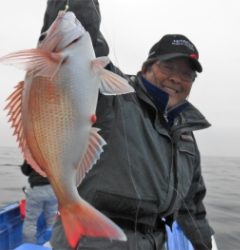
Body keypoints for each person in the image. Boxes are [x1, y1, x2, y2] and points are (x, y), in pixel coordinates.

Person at [41, 1, 215, 249]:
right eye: (168, 66)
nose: (176, 77)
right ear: (145, 68)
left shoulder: (185, 133)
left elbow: (193, 207)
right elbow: (82, 41)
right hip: (93, 241)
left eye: (187, 74)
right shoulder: (115, 95)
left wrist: (204, 244)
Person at [20, 160, 58, 243]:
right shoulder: (54, 153)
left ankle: (30, 246)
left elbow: (25, 171)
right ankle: (51, 242)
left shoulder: (32, 152)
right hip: (53, 190)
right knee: (52, 218)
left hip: (37, 190)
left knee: (30, 221)